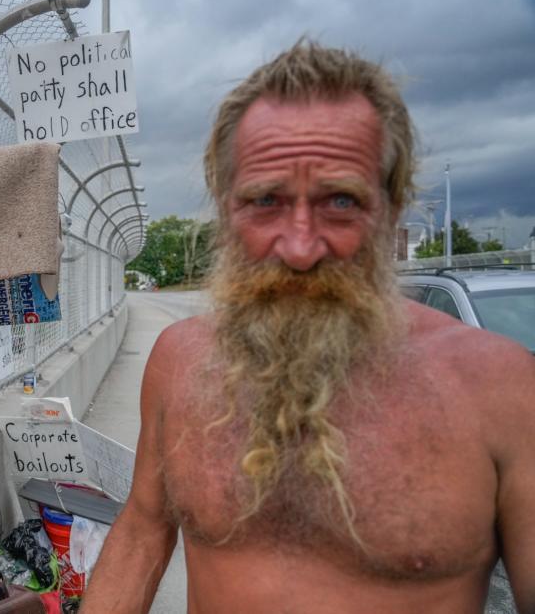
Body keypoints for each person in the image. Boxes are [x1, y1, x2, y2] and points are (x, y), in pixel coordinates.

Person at [81, 41, 535, 613]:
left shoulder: (503, 388)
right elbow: (143, 531)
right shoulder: (182, 362)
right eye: (265, 200)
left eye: (340, 201)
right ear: (226, 210)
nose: (299, 248)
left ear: (392, 210)